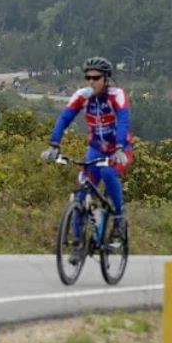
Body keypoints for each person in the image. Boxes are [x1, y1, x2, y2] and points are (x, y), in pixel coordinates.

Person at [40, 57, 132, 240]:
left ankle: (119, 216)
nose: (91, 81)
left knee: (107, 173)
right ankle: (77, 243)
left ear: (106, 79)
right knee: (80, 193)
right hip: (95, 149)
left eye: (96, 78)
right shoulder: (81, 96)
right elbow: (64, 118)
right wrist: (54, 144)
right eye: (88, 77)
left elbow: (123, 121)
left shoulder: (117, 95)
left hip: (119, 150)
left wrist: (120, 147)